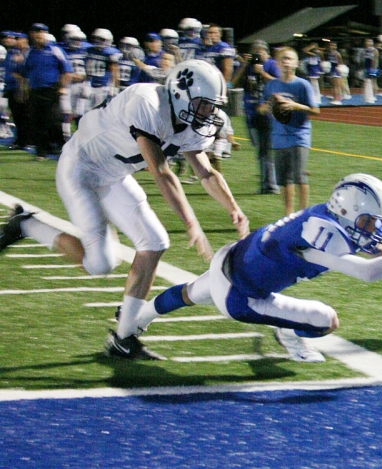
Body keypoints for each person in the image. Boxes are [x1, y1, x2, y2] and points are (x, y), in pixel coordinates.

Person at [0, 59, 249, 359]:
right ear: (181, 93)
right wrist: (191, 222)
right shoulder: (147, 102)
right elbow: (160, 171)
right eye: (204, 105)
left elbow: (206, 173)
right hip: (80, 168)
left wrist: (234, 208)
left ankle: (123, 338)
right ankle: (26, 225)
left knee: (155, 242)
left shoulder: (188, 120)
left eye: (212, 106)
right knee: (100, 263)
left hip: (113, 175)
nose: (209, 113)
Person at [131, 173, 382, 362]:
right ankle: (289, 333)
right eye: (370, 221)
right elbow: (368, 272)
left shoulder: (334, 221)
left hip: (230, 260)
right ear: (350, 212)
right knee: (327, 321)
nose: (374, 229)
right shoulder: (320, 232)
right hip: (240, 294)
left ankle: (134, 322)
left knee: (188, 294)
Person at [259, 47, 319, 216]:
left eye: (289, 59)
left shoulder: (303, 84)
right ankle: (288, 215)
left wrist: (295, 106)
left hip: (299, 136)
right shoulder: (271, 85)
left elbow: (315, 110)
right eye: (282, 59)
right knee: (284, 180)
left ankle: (304, 213)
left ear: (296, 63)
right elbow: (263, 109)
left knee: (299, 177)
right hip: (278, 137)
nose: (286, 62)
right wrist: (268, 105)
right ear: (277, 63)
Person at [231, 39, 280, 194]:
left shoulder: (271, 65)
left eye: (261, 52)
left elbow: (279, 83)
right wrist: (245, 64)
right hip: (251, 113)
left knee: (265, 150)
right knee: (259, 149)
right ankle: (267, 183)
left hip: (267, 113)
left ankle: (271, 185)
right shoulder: (248, 67)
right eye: (255, 52)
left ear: (267, 52)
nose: (258, 55)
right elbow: (233, 84)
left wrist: (262, 72)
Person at [20, 23, 73, 160]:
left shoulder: (55, 50)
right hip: (35, 90)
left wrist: (62, 87)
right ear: (31, 35)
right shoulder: (30, 53)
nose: (39, 35)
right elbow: (26, 73)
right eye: (36, 32)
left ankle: (61, 148)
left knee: (54, 120)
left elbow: (67, 70)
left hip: (52, 90)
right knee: (37, 121)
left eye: (42, 32)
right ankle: (41, 152)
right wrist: (24, 90)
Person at [84, 28, 121, 110]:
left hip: (103, 85)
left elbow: (114, 72)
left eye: (101, 39)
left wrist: (114, 88)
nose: (98, 41)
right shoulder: (89, 50)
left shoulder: (111, 53)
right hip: (88, 83)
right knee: (84, 110)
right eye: (96, 38)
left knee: (98, 110)